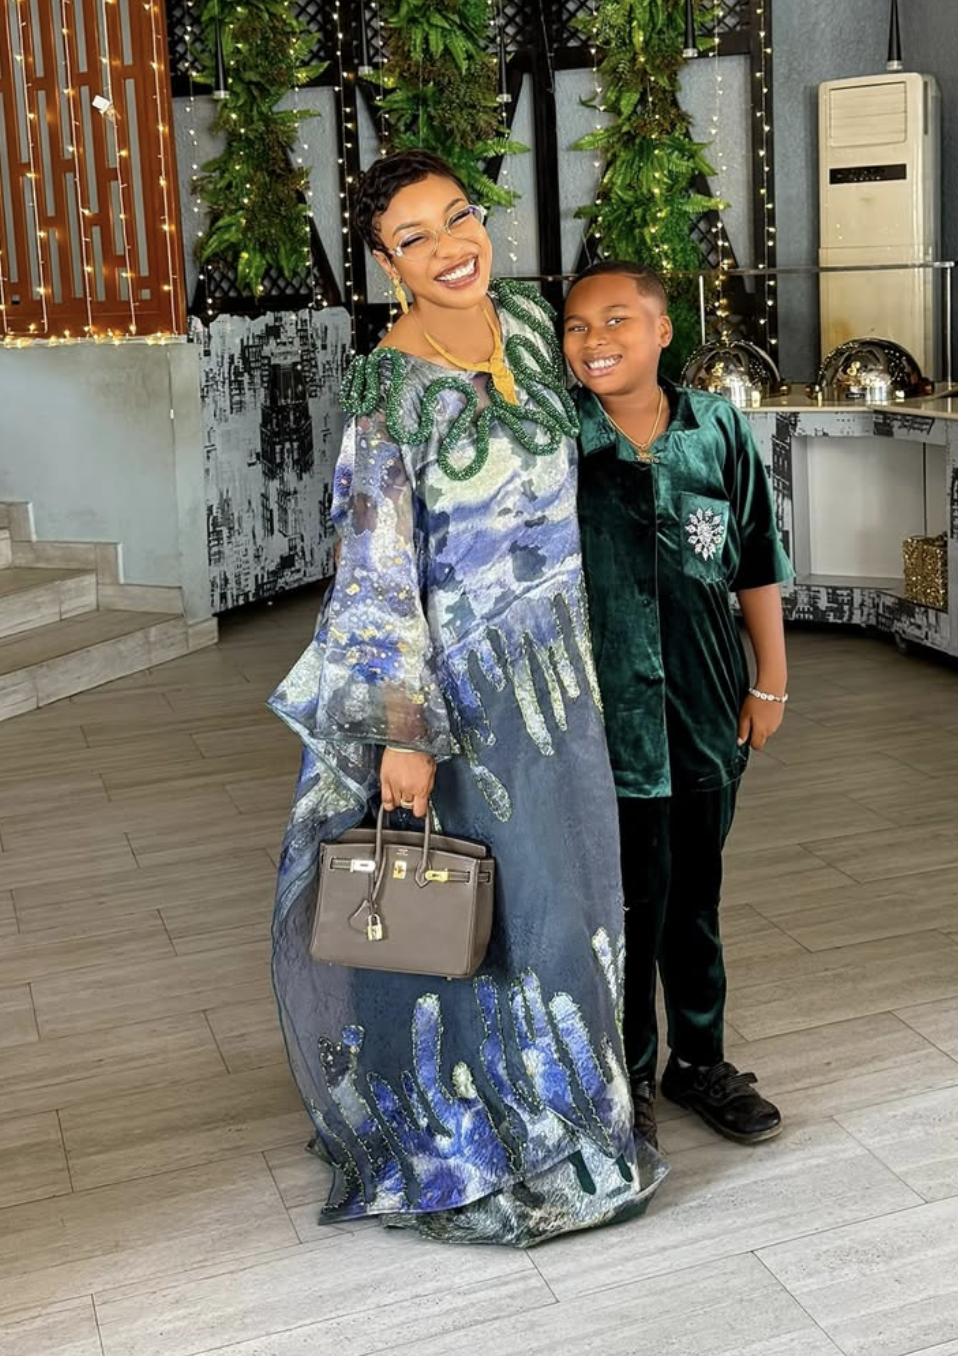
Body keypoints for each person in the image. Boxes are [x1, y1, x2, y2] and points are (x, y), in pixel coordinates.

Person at [268, 152, 664, 1247]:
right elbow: (375, 573)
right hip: (461, 694)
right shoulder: (388, 389)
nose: (450, 248)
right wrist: (403, 733)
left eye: (458, 218)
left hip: (563, 673)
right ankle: (476, 1139)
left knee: (571, 900)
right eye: (415, 237)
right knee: (477, 919)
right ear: (386, 264)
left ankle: (579, 1126)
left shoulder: (536, 328)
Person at [563, 261, 794, 1151]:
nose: (595, 341)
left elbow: (756, 561)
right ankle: (624, 1080)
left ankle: (699, 1063)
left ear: (663, 331)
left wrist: (769, 682)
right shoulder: (560, 443)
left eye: (616, 320)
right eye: (577, 327)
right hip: (603, 725)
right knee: (626, 909)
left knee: (696, 899)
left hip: (706, 712)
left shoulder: (717, 428)